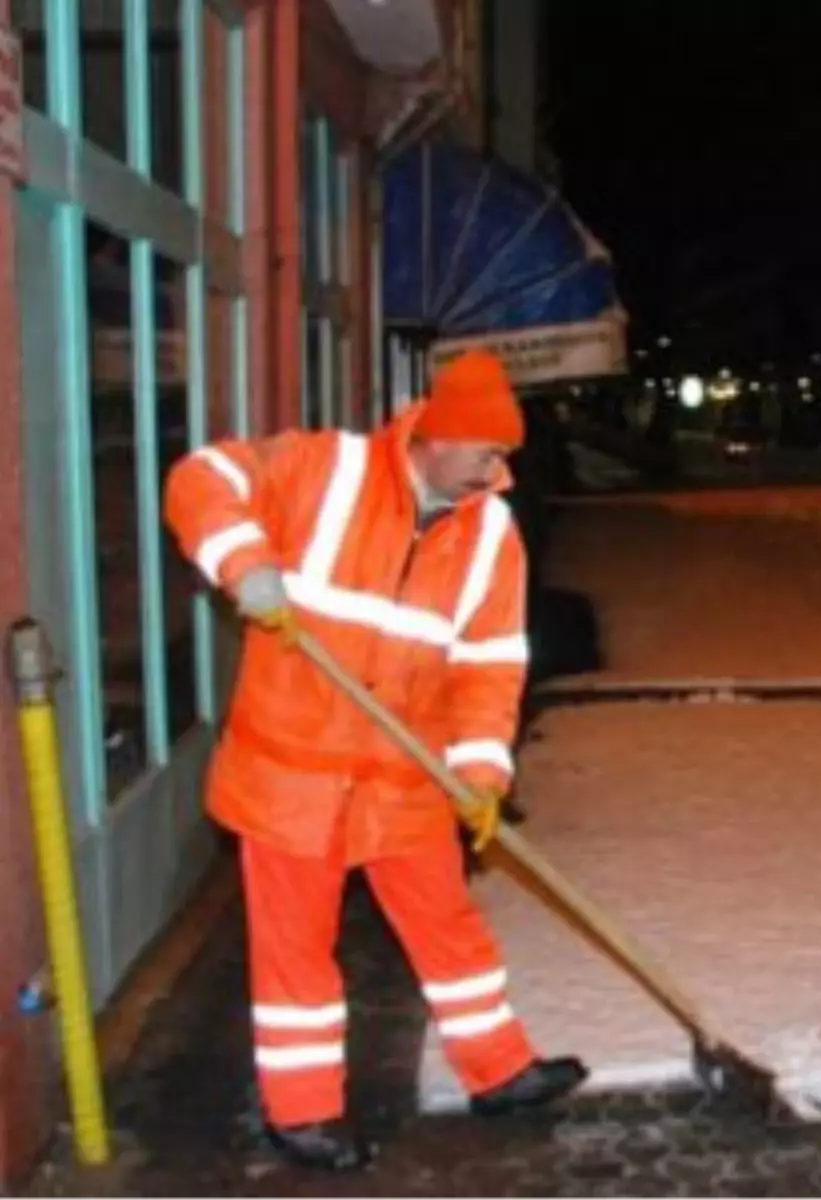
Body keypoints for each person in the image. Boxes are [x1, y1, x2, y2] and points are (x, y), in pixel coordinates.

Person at [164, 349, 587, 1173]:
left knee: (449, 928)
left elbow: (490, 664)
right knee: (296, 949)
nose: (497, 473)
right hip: (292, 775)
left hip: (405, 776)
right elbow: (201, 476)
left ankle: (499, 1070)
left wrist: (481, 773)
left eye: (503, 457)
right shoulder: (326, 470)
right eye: (487, 453)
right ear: (442, 434)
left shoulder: (490, 533)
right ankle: (304, 1113)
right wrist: (244, 563)